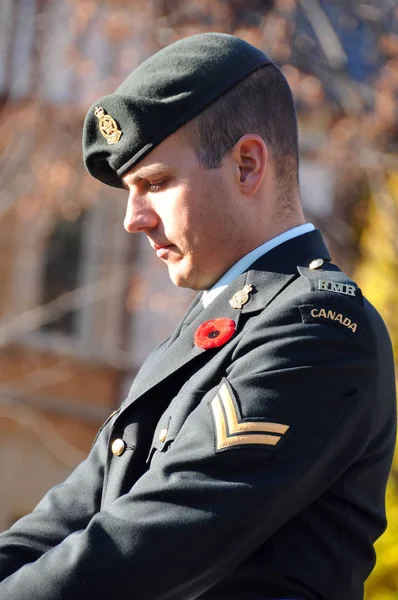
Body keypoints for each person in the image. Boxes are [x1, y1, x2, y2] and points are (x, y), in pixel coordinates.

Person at [0, 32, 395, 600]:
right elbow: (66, 520)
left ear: (248, 164)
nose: (134, 219)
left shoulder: (319, 328)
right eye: (131, 190)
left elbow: (149, 545)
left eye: (156, 183)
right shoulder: (206, 333)